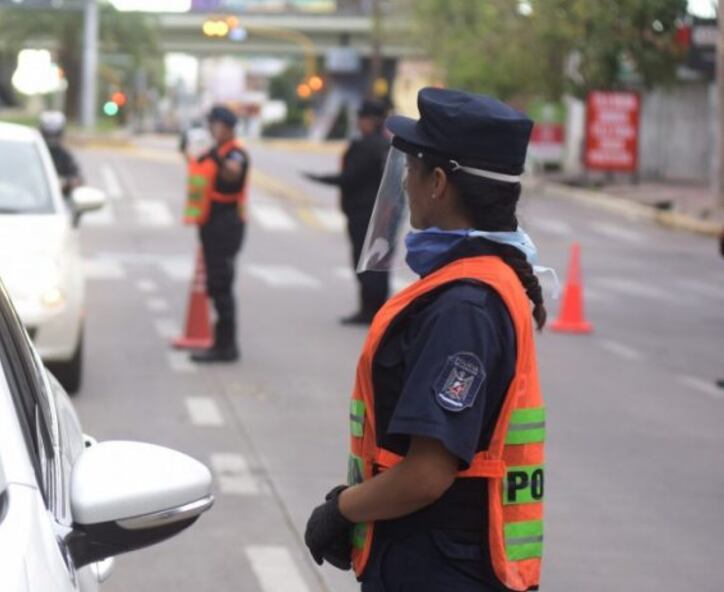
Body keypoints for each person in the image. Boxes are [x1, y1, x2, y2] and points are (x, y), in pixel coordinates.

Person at [304, 88, 547, 591]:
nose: (405, 184)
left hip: (438, 569)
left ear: (438, 183)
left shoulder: (464, 306)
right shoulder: (476, 281)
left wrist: (341, 510)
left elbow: (426, 475)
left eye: (411, 170)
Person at [305, 99, 392, 325]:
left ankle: (370, 311)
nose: (358, 123)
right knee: (378, 263)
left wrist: (320, 178)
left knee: (366, 263)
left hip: (365, 212)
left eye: (361, 119)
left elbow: (351, 177)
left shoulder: (367, 146)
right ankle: (377, 310)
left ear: (371, 121)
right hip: (383, 212)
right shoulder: (386, 145)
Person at [181, 105, 250, 363]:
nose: (211, 129)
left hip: (226, 225)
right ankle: (221, 343)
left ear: (227, 127)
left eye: (215, 124)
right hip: (211, 225)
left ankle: (226, 346)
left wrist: (215, 156)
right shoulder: (216, 151)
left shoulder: (235, 153)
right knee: (215, 284)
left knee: (222, 285)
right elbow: (195, 164)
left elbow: (233, 174)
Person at [39, 110, 83, 194]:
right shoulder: (34, 154)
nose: (51, 139)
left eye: (55, 134)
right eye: (48, 134)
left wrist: (65, 183)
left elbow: (77, 178)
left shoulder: (64, 155)